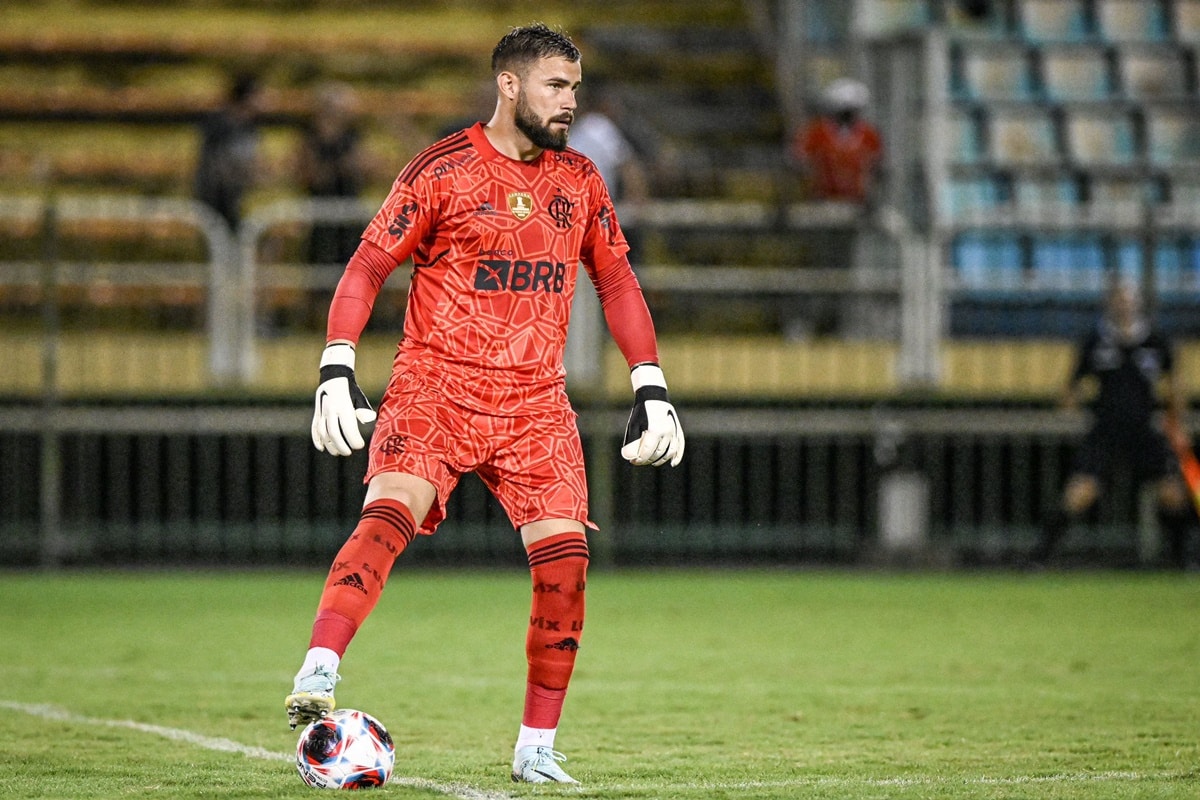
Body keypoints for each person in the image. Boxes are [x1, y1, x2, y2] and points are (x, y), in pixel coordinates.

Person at [286, 23, 685, 786]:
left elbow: (617, 280)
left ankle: (536, 749)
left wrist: (652, 385)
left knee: (566, 566)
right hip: (436, 385)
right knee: (389, 514)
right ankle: (320, 668)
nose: (570, 102)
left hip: (536, 400)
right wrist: (337, 364)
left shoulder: (581, 180)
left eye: (574, 88)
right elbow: (367, 264)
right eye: (555, 86)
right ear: (509, 85)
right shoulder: (442, 169)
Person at [1032, 281, 1193, 568]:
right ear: (1110, 304)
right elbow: (1072, 386)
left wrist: (1175, 421)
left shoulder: (1155, 340)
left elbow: (1174, 384)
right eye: (1119, 300)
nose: (1125, 305)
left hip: (1143, 430)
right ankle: (1038, 559)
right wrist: (1070, 403)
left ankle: (1183, 561)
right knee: (1079, 493)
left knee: (1172, 493)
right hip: (1105, 431)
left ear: (1138, 304)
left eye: (1129, 300)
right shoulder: (1095, 340)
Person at [296, 81, 369, 267]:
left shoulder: (352, 136)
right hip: (321, 210)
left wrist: (355, 166)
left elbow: (364, 168)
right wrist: (337, 168)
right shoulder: (310, 137)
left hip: (348, 209)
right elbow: (309, 175)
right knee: (321, 264)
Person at [788, 77, 882, 205]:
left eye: (851, 112)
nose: (847, 117)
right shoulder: (816, 133)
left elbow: (877, 166)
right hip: (823, 200)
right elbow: (798, 160)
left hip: (858, 201)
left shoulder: (869, 135)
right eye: (843, 112)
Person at [193, 72, 266, 231]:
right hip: (218, 196)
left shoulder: (250, 125)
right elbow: (215, 164)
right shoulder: (219, 124)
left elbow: (253, 160)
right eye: (259, 96)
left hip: (239, 194)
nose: (264, 101)